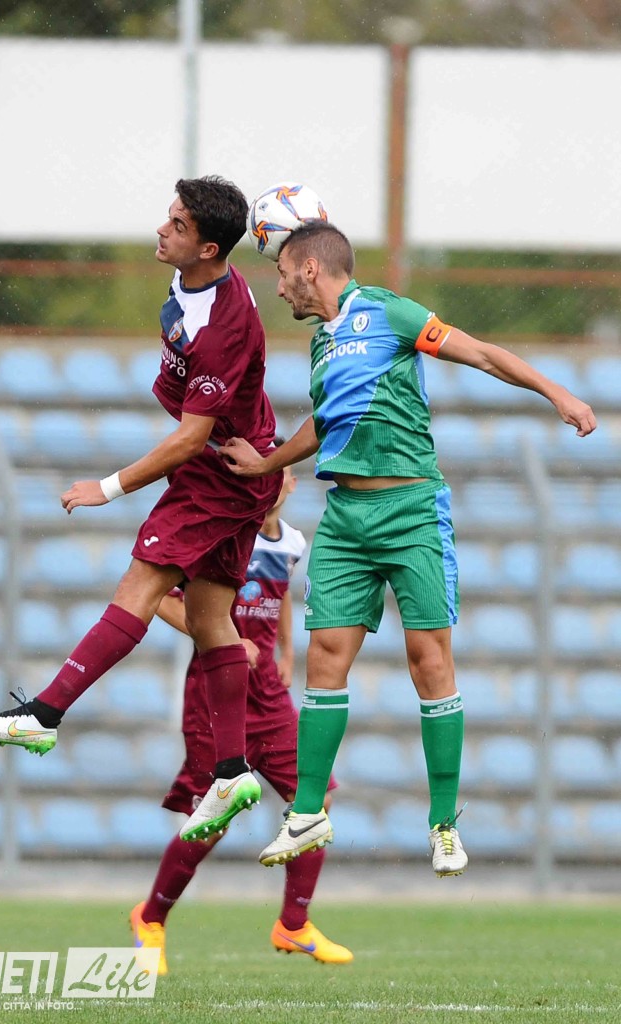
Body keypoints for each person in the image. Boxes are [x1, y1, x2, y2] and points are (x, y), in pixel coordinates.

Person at [221, 220, 597, 878]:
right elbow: (325, 422)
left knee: (429, 662)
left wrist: (556, 393)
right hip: (345, 516)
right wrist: (266, 464)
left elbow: (479, 354)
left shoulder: (388, 311)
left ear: (309, 268)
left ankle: (444, 823)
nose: (277, 288)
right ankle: (306, 812)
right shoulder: (320, 342)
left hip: (411, 511)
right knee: (325, 657)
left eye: (281, 273)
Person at [0, 175, 284, 842]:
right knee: (210, 618)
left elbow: (190, 437)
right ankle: (231, 771)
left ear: (210, 248)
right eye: (168, 216)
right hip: (231, 468)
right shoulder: (192, 282)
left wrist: (104, 488)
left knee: (138, 586)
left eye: (178, 225)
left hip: (218, 474)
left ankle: (44, 716)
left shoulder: (222, 323)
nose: (162, 229)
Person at [130, 459, 352, 973]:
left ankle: (293, 923)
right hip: (215, 692)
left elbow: (282, 595)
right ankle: (151, 918)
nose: (266, 482)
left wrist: (287, 653)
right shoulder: (222, 537)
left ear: (288, 482)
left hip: (268, 695)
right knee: (213, 819)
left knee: (314, 800)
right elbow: (162, 598)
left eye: (275, 473)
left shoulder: (291, 542)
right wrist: (222, 639)